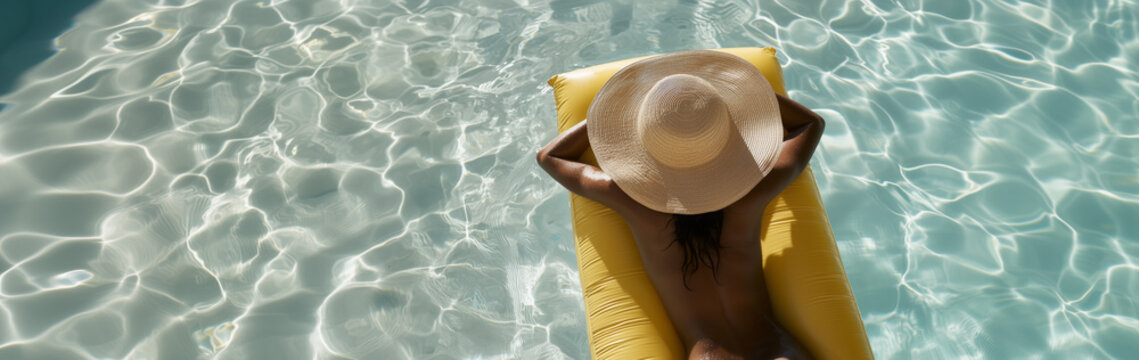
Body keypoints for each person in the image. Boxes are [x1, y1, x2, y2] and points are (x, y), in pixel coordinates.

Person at [536, 50, 825, 360]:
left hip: (709, 354)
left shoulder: (635, 204)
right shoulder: (752, 195)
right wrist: (742, 97)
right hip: (778, 347)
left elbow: (550, 157)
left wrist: (609, 117)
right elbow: (810, 124)